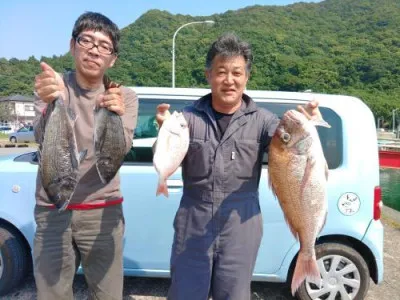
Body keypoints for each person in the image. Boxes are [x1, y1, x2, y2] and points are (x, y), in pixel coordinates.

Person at [155, 33, 322, 300]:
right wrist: (164, 131)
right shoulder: (187, 118)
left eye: (237, 72)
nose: (229, 80)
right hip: (193, 221)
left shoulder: (265, 121)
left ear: (247, 77)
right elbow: (165, 158)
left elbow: (291, 150)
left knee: (234, 295)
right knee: (185, 293)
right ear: (208, 75)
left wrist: (309, 126)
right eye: (221, 72)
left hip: (241, 223)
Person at [33, 12, 138, 300]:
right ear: (72, 44)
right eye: (86, 40)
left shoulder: (124, 96)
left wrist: (115, 115)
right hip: (52, 208)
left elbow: (120, 149)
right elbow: (42, 140)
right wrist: (49, 102)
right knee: (51, 294)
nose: (94, 50)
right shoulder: (51, 85)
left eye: (104, 46)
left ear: (112, 59)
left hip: (103, 208)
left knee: (108, 294)